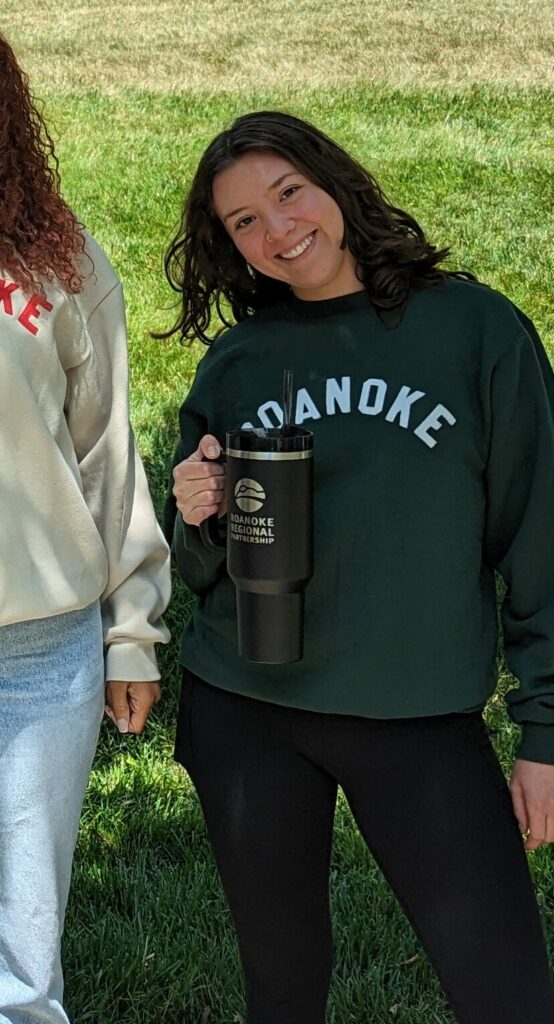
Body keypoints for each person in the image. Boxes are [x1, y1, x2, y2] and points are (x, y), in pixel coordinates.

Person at [164, 110, 554, 1024]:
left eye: (287, 193)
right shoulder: (242, 361)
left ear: (336, 183)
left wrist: (547, 732)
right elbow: (203, 568)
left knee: (507, 1000)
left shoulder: (473, 330)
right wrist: (199, 514)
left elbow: (546, 532)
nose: (278, 229)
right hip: (247, 711)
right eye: (244, 221)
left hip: (416, 715)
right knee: (283, 995)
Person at [0, 34, 171, 1024]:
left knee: (23, 956)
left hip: (40, 651)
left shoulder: (55, 258)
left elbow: (108, 456)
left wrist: (130, 632)